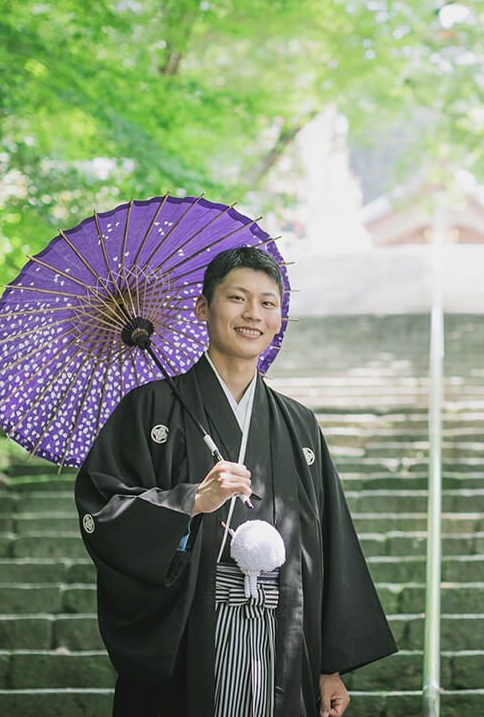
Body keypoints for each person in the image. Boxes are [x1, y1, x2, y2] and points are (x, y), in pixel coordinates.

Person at [75, 245, 397, 717]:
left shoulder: (298, 423)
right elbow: (102, 511)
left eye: (269, 303)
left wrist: (330, 666)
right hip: (189, 631)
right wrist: (190, 501)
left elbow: (331, 543)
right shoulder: (148, 409)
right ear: (204, 307)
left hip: (282, 635)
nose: (254, 314)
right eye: (237, 298)